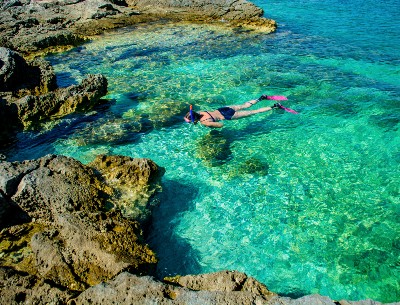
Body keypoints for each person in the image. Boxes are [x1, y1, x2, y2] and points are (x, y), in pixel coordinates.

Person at [184, 95, 282, 128]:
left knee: (254, 112)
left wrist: (212, 125)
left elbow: (221, 125)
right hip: (224, 108)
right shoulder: (201, 112)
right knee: (245, 105)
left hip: (228, 115)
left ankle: (275, 106)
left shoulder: (205, 122)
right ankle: (261, 98)